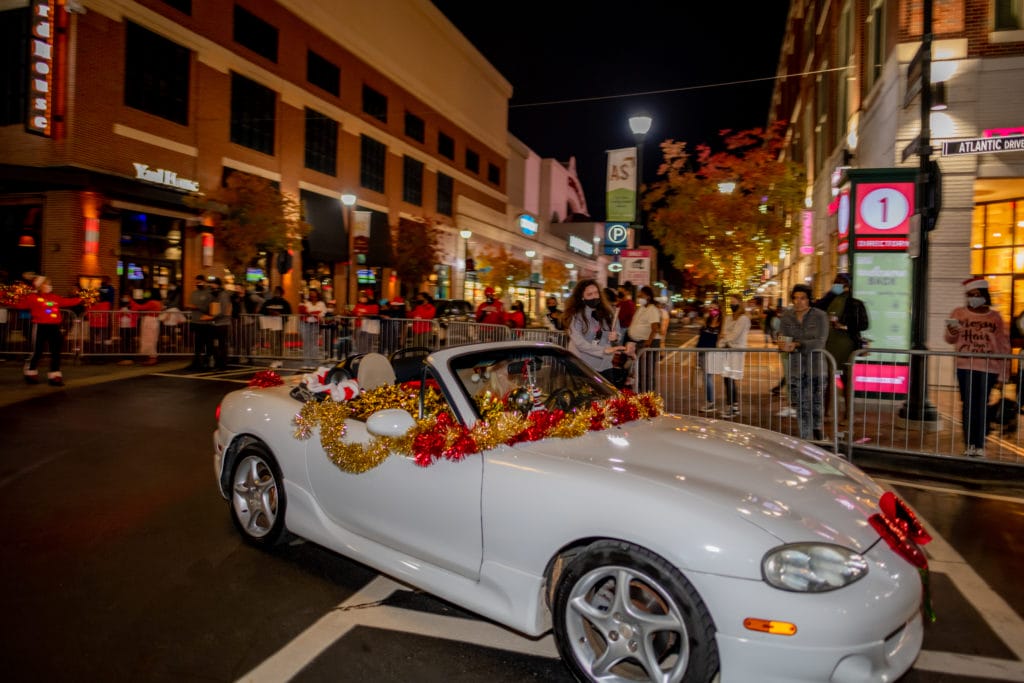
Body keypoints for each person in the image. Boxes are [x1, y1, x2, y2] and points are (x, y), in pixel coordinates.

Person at [945, 277, 1011, 457]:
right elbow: (949, 339)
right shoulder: (959, 313)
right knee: (968, 405)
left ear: (984, 295)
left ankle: (979, 443)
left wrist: (1004, 372)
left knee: (981, 405)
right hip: (965, 366)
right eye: (969, 295)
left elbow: (1004, 345)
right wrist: (951, 332)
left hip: (989, 368)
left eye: (975, 295)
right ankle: (970, 444)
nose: (971, 298)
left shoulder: (995, 317)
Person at [814, 272, 870, 424]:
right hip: (829, 344)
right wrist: (831, 293)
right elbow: (816, 308)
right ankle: (825, 412)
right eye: (835, 282)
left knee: (845, 380)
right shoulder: (830, 300)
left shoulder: (855, 303)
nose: (837, 284)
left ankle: (847, 414)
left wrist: (844, 326)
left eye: (840, 282)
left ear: (848, 285)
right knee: (827, 379)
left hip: (845, 345)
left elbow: (864, 324)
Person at [777, 284, 830, 440]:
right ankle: (806, 438)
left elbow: (820, 341)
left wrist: (798, 344)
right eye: (795, 298)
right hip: (796, 367)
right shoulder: (787, 316)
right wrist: (782, 343)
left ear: (809, 300)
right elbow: (783, 337)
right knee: (801, 405)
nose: (799, 302)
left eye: (803, 298)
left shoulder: (820, 316)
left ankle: (818, 433)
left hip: (817, 366)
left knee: (816, 403)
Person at [19, 275, 83, 386]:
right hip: (40, 327)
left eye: (49, 283)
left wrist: (83, 298)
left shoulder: (54, 297)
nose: (49, 285)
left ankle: (55, 375)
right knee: (37, 351)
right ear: (40, 286)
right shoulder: (32, 297)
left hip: (54, 327)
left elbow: (67, 302)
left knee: (56, 352)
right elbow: (19, 305)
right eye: (46, 283)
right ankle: (30, 371)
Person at [563, 279, 623, 373]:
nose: (594, 296)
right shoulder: (575, 316)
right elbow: (579, 343)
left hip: (605, 365)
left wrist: (616, 337)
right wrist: (603, 350)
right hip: (582, 365)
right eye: (589, 294)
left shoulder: (609, 313)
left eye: (596, 293)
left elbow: (617, 333)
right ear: (582, 297)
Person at [716, 293, 751, 418]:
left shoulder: (743, 319)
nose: (732, 304)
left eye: (734, 302)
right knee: (726, 378)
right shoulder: (729, 318)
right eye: (730, 302)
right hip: (727, 351)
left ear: (740, 303)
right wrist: (724, 340)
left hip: (736, 352)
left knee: (731, 379)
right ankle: (731, 405)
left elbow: (735, 335)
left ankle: (732, 407)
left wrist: (725, 338)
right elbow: (724, 333)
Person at [625, 286, 662, 391]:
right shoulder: (642, 308)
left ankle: (648, 395)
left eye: (641, 295)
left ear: (648, 296)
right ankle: (642, 394)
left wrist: (647, 344)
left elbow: (655, 328)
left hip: (649, 343)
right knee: (640, 371)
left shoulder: (652, 309)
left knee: (646, 372)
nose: (639, 297)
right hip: (641, 342)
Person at [696, 302, 723, 412]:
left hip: (712, 354)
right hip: (702, 352)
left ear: (719, 310)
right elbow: (701, 338)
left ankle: (711, 403)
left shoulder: (722, 323)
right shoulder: (706, 321)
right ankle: (710, 402)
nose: (712, 310)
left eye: (714, 308)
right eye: (710, 308)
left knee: (708, 378)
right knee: (706, 378)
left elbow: (721, 339)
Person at [205, 277, 234, 370]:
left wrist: (213, 317)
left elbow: (224, 310)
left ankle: (222, 363)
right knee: (213, 344)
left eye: (212, 284)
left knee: (222, 344)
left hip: (222, 323)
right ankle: (217, 361)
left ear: (217, 284)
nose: (210, 285)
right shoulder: (214, 294)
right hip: (215, 323)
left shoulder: (223, 295)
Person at [130, 290, 163, 366]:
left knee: (149, 339)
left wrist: (132, 301)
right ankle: (152, 357)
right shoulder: (159, 303)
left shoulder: (152, 302)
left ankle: (152, 358)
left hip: (150, 321)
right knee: (152, 339)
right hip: (155, 320)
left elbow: (141, 307)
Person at [258, 285, 292, 357]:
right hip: (271, 325)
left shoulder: (285, 303)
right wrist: (269, 312)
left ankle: (280, 355)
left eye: (278, 292)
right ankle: (273, 355)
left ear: (282, 293)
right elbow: (262, 310)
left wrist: (280, 314)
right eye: (276, 291)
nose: (277, 293)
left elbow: (289, 312)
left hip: (281, 324)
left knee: (280, 340)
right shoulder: (269, 302)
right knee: (272, 340)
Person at [188, 274, 213, 370]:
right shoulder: (194, 293)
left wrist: (197, 307)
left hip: (205, 323)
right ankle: (196, 362)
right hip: (195, 321)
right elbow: (191, 304)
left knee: (207, 343)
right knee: (197, 344)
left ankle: (207, 361)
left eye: (199, 282)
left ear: (204, 282)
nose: (197, 284)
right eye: (196, 282)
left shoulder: (209, 293)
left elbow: (210, 309)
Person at [299, 288, 327, 366]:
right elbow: (303, 312)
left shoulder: (321, 303)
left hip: (315, 325)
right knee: (306, 344)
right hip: (306, 324)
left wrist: (314, 314)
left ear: (317, 294)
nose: (312, 295)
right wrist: (310, 313)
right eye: (310, 294)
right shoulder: (307, 303)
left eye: (313, 294)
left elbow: (323, 313)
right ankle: (306, 362)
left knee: (314, 344)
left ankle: (314, 361)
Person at [351, 289, 380, 354]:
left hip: (368, 327)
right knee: (359, 341)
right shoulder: (358, 305)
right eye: (363, 296)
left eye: (365, 296)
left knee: (367, 342)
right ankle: (360, 355)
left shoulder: (373, 305)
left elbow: (374, 314)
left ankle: (366, 356)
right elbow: (354, 312)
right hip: (359, 326)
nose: (363, 298)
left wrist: (364, 315)